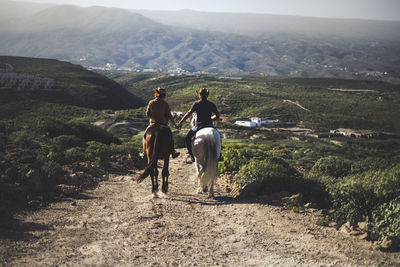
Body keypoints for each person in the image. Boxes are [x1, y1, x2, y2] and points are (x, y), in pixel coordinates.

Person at [177, 88, 220, 163]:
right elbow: (217, 115)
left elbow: (188, 114)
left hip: (199, 126)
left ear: (199, 95)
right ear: (207, 95)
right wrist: (211, 118)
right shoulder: (211, 104)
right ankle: (219, 155)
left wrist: (181, 122)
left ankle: (191, 156)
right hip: (209, 125)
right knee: (219, 137)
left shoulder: (196, 104)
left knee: (187, 138)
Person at [144, 87, 180, 158]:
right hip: (163, 124)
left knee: (145, 135)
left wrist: (153, 117)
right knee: (170, 136)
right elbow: (169, 115)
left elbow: (147, 114)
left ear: (156, 94)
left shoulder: (151, 102)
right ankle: (173, 152)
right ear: (164, 95)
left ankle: (144, 152)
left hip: (153, 124)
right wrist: (175, 125)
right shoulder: (165, 104)